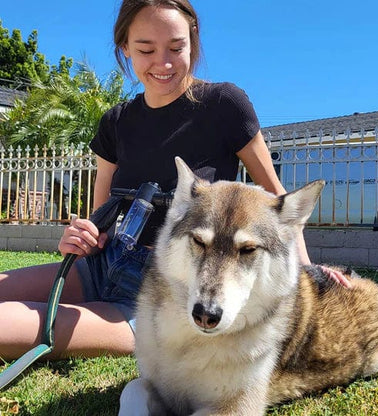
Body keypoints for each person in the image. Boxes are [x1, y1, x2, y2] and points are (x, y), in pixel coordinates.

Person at [0, 0, 348, 362]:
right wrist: (84, 234)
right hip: (103, 264)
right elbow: (99, 215)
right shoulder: (116, 121)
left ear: (193, 43)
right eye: (146, 49)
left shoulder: (225, 105)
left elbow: (278, 199)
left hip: (169, 289)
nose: (163, 63)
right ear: (125, 49)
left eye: (176, 48)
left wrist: (307, 272)